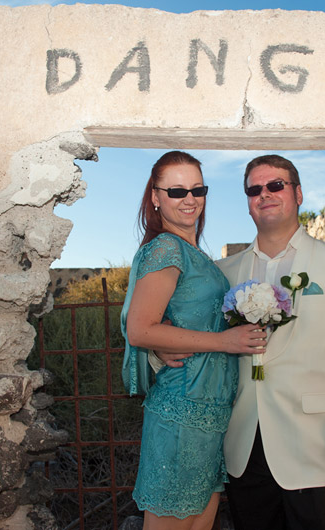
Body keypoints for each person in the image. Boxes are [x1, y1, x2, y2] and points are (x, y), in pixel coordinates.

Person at [161, 154, 325, 530]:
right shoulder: (222, 273)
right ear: (247, 202)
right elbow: (190, 335)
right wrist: (162, 348)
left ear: (297, 193)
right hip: (242, 448)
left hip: (319, 450)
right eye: (254, 189)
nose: (265, 194)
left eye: (275, 185)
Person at [120, 150, 266, 530]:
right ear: (155, 197)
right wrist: (227, 342)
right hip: (182, 411)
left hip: (210, 413)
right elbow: (140, 329)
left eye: (198, 189)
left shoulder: (193, 253)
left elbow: (168, 322)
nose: (189, 199)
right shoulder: (166, 248)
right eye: (176, 191)